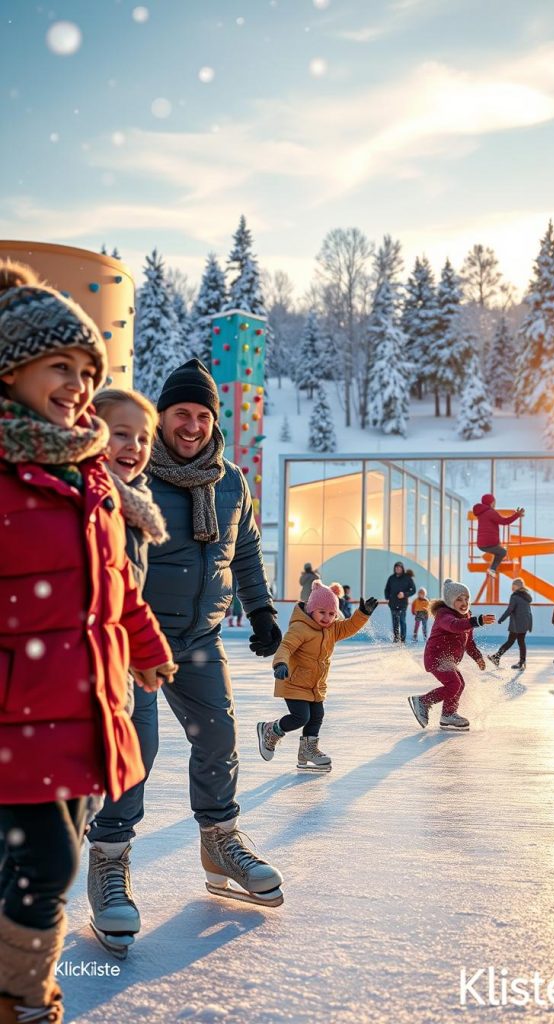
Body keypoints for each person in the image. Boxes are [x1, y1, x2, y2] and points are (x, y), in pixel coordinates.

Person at [0, 262, 174, 1021]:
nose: (76, 384)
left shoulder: (90, 476)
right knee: (47, 863)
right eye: (57, 366)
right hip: (16, 715)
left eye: (85, 369)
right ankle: (24, 998)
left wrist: (147, 645)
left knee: (41, 865)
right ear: (12, 370)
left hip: (86, 709)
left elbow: (116, 586)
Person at [139, 358, 284, 909]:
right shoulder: (135, 475)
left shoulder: (231, 481)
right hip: (137, 640)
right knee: (136, 747)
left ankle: (220, 844)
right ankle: (110, 858)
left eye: (202, 415)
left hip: (201, 637)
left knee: (219, 738)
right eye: (182, 413)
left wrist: (263, 610)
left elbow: (244, 552)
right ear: (161, 416)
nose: (193, 425)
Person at [86, 388, 170, 957]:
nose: (134, 446)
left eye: (143, 437)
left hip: (120, 664)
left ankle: (109, 860)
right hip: (67, 664)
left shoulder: (132, 504)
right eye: (120, 433)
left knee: (139, 751)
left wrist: (146, 650)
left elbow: (125, 590)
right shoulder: (81, 494)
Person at [256, 581, 378, 770]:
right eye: (322, 612)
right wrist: (280, 663)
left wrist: (363, 614)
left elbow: (349, 627)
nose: (327, 618)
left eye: (332, 614)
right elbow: (286, 647)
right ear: (311, 609)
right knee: (300, 717)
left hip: (315, 685)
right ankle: (271, 730)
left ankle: (308, 751)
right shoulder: (300, 628)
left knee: (317, 715)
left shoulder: (332, 629)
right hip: (293, 681)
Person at [407, 579, 495, 732]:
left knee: (459, 684)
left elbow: (469, 642)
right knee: (454, 684)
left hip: (448, 660)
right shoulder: (444, 615)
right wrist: (477, 621)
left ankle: (448, 714)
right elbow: (454, 626)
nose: (464, 602)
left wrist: (477, 657)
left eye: (466, 598)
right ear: (449, 601)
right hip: (436, 658)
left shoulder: (467, 616)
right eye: (459, 599)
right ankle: (423, 701)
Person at [472, 493, 525, 577]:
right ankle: (492, 569)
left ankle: (492, 569)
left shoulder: (481, 513)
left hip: (481, 544)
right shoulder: (490, 513)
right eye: (494, 502)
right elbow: (504, 522)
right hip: (489, 543)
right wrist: (517, 515)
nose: (494, 504)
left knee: (499, 550)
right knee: (503, 552)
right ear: (490, 503)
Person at [488, 577, 533, 671]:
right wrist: (529, 624)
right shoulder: (525, 596)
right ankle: (522, 661)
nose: (512, 587)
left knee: (511, 641)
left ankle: (496, 657)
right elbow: (528, 611)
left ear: (517, 586)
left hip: (517, 624)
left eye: (514, 585)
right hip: (525, 622)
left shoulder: (515, 596)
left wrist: (501, 619)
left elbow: (510, 609)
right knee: (520, 641)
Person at [384, 561, 416, 642]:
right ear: (394, 568)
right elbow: (387, 589)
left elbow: (413, 590)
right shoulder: (391, 578)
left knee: (402, 621)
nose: (397, 569)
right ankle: (396, 638)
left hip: (403, 604)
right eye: (396, 567)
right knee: (395, 622)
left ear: (402, 568)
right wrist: (387, 597)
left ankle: (402, 639)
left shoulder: (407, 578)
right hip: (393, 604)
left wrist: (404, 594)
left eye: (399, 567)